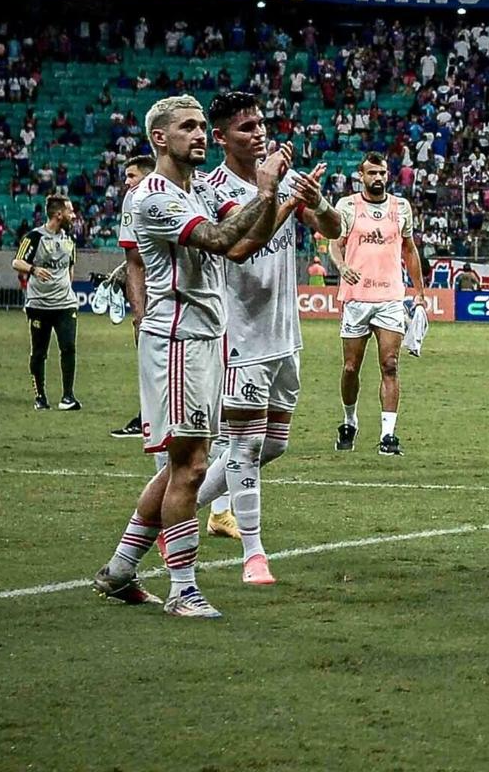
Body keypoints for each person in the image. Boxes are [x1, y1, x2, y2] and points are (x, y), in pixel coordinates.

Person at [92, 94, 310, 619]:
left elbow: (245, 244)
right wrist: (265, 189)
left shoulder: (195, 192)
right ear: (160, 139)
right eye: (187, 127)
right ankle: (183, 589)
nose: (197, 134)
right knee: (190, 467)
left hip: (207, 339)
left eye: (199, 126)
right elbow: (221, 239)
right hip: (177, 340)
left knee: (181, 465)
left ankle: (121, 569)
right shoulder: (156, 197)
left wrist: (281, 199)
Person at [193, 91, 342, 584]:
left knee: (273, 446)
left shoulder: (281, 178)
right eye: (244, 128)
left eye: (259, 124)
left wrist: (314, 200)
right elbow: (234, 247)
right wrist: (278, 195)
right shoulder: (210, 189)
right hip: (239, 333)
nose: (257, 133)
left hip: (284, 333)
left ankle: (176, 501)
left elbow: (333, 226)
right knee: (246, 445)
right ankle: (254, 556)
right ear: (220, 138)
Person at [331, 153, 425, 456]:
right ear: (361, 176)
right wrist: (342, 266)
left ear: (389, 174)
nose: (378, 178)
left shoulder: (401, 208)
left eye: (382, 172)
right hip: (356, 297)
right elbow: (335, 244)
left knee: (390, 365)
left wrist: (420, 292)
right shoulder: (347, 206)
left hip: (390, 297)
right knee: (350, 368)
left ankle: (388, 435)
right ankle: (349, 420)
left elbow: (410, 251)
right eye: (372, 173)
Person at [16, 193, 81, 410]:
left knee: (69, 347)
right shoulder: (34, 237)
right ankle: (40, 397)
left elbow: (71, 267)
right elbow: (17, 262)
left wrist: (66, 289)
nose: (74, 215)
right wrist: (34, 269)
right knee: (39, 352)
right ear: (58, 214)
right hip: (39, 305)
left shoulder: (69, 240)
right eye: (70, 210)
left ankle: (68, 397)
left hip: (65, 304)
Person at [108, 155, 156, 440]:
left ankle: (148, 419)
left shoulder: (138, 197)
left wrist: (139, 314)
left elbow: (135, 259)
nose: (127, 183)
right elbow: (136, 259)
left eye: (131, 176)